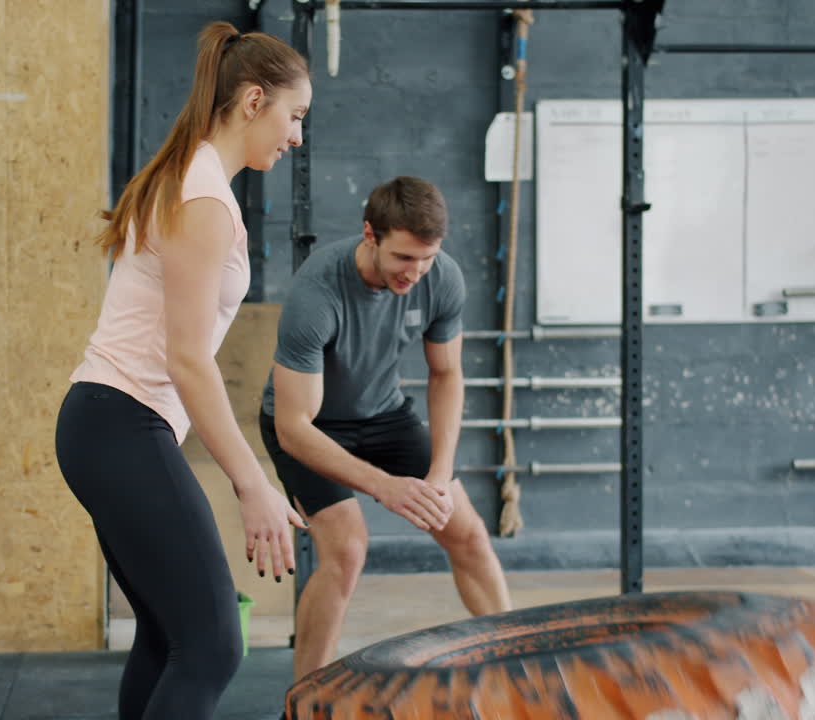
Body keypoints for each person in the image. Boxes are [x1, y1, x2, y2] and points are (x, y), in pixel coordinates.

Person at [54, 20, 311, 720]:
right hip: (119, 425)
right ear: (253, 101)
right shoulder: (203, 201)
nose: (296, 136)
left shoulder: (192, 179)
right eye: (294, 116)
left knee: (170, 638)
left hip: (107, 425)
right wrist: (252, 485)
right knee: (211, 647)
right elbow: (189, 361)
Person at [259, 176, 513, 683]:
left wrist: (439, 473)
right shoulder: (317, 292)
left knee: (467, 533)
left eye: (426, 258)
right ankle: (305, 701)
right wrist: (384, 486)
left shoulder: (442, 278)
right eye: (403, 258)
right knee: (346, 550)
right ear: (370, 235)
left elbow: (446, 374)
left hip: (384, 414)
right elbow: (294, 428)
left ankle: (515, 668)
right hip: (310, 426)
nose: (414, 273)